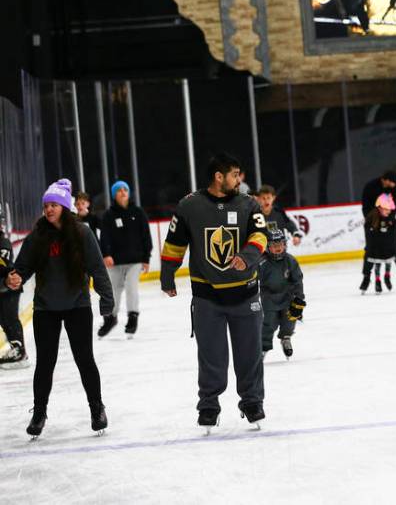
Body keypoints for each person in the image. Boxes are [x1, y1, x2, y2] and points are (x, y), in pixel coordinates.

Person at [160, 152, 269, 430]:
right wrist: (167, 276)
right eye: (234, 174)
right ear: (218, 177)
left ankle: (252, 402)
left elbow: (260, 235)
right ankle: (209, 405)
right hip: (208, 299)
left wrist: (247, 255)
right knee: (211, 356)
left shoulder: (248, 204)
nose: (239, 179)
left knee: (250, 354)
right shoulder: (189, 206)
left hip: (246, 295)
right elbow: (174, 244)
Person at [4, 179, 113, 438]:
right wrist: (14, 278)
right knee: (45, 363)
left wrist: (106, 300)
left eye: (54, 204)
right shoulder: (37, 236)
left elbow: (97, 268)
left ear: (65, 207)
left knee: (84, 360)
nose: (49, 209)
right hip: (45, 309)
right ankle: (39, 413)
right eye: (46, 205)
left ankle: (97, 409)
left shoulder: (82, 233)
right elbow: (22, 267)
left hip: (77, 306)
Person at [97, 180, 152, 338]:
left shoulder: (138, 212)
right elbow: (104, 237)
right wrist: (106, 254)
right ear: (114, 194)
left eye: (125, 189)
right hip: (114, 261)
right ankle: (111, 318)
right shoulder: (108, 215)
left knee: (131, 287)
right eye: (119, 190)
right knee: (114, 290)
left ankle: (132, 317)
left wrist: (146, 258)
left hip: (135, 260)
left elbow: (145, 236)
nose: (122, 192)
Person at [259, 229, 305, 358]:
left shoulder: (290, 261)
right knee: (268, 323)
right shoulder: (262, 263)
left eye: (280, 244)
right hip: (268, 298)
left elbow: (298, 281)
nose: (278, 248)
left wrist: (299, 299)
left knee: (290, 319)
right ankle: (263, 346)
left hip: (287, 297)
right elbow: (253, 281)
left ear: (285, 244)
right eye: (274, 245)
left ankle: (286, 338)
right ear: (268, 247)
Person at [361, 170, 396, 288]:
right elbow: (365, 207)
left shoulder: (395, 188)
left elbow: (394, 208)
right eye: (393, 182)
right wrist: (374, 221)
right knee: (370, 249)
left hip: (389, 220)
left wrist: (388, 220)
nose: (395, 185)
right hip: (372, 221)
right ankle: (366, 277)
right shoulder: (370, 187)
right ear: (386, 180)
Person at [360, 193, 396, 294]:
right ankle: (374, 279)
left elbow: (394, 237)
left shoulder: (391, 218)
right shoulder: (371, 218)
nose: (390, 211)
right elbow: (369, 238)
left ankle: (388, 275)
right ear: (380, 208)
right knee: (373, 257)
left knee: (392, 256)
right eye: (387, 209)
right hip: (375, 248)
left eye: (390, 209)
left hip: (387, 247)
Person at [0, 221, 28, 368]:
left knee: (10, 319)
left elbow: (3, 268)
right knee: (4, 320)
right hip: (3, 288)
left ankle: (20, 352)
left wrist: (6, 281)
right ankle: (16, 348)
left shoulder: (3, 243)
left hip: (10, 287)